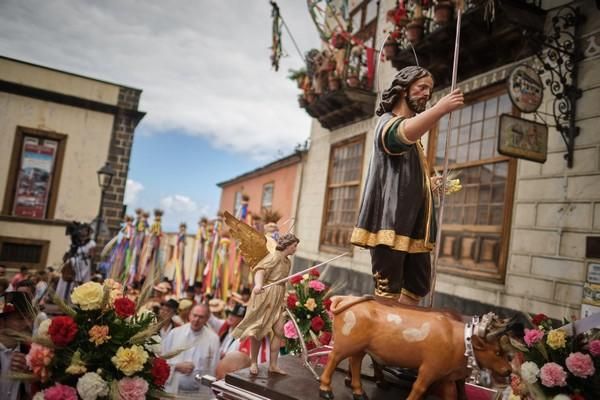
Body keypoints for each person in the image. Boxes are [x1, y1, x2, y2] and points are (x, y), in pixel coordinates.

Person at [350, 65, 464, 306]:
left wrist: (429, 186)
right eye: (422, 87)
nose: (426, 94)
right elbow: (397, 138)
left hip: (414, 228)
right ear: (403, 90)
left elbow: (404, 178)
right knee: (388, 289)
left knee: (417, 286)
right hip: (391, 225)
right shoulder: (387, 121)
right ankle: (382, 338)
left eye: (430, 91)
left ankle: (402, 335)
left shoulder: (415, 137)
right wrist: (440, 109)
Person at [232, 233, 299, 376]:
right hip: (266, 295)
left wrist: (284, 297)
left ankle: (273, 365)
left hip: (278, 297)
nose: (295, 249)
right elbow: (259, 270)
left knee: (279, 331)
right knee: (257, 331)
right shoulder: (274, 257)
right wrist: (258, 284)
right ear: (287, 246)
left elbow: (283, 281)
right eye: (294, 246)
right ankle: (254, 362)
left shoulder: (287, 262)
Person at [161, 304, 220, 398]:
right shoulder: (175, 333)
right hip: (174, 390)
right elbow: (161, 361)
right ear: (189, 315)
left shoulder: (213, 339)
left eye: (201, 317)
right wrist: (176, 366)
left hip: (198, 394)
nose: (196, 320)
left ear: (207, 319)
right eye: (194, 315)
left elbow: (214, 369)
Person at [0, 292, 34, 400]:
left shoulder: (31, 353)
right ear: (1, 322)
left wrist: (28, 375)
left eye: (29, 317)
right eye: (20, 318)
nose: (28, 324)